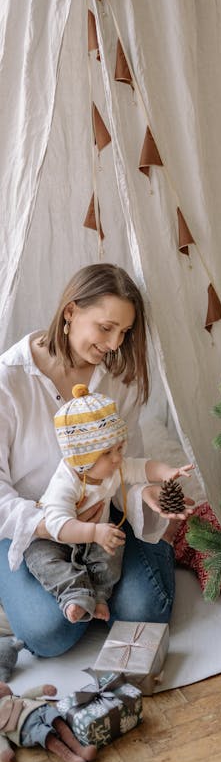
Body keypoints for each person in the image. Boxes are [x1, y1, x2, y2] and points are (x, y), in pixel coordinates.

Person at [0, 263, 188, 658]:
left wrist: (144, 492)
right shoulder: (9, 380)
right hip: (35, 528)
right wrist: (55, 526)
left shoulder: (117, 376)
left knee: (143, 612)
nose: (115, 343)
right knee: (50, 634)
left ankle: (137, 563)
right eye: (106, 328)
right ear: (70, 312)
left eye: (124, 333)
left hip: (102, 519)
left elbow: (126, 461)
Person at [23, 383, 194, 625]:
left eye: (119, 448)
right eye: (106, 453)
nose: (117, 458)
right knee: (41, 560)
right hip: (55, 541)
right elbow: (56, 524)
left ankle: (101, 594)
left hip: (97, 538)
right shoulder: (66, 482)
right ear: (81, 457)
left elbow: (142, 466)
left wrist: (168, 472)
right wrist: (93, 531)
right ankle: (74, 593)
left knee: (113, 550)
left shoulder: (113, 468)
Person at [0, 680, 98, 762]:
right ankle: (72, 758)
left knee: (57, 721)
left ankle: (81, 750)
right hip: (25, 728)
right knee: (46, 737)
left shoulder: (15, 698)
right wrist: (4, 751)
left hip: (39, 709)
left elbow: (29, 694)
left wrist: (43, 689)